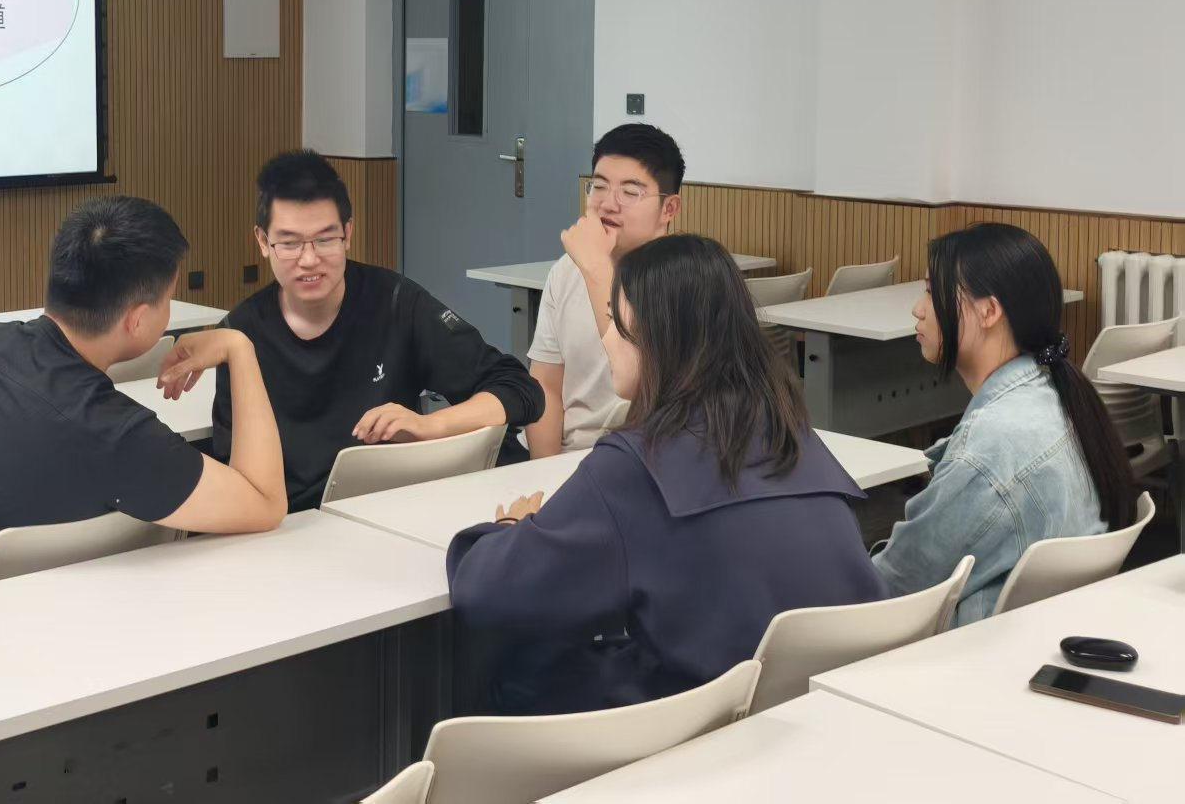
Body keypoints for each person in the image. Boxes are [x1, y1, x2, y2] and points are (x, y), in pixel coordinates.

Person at [446, 234, 884, 715]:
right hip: (819, 710)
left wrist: (510, 528)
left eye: (616, 324)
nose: (606, 339)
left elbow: (489, 594)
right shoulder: (792, 431)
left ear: (658, 337)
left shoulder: (634, 464)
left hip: (700, 725)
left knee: (516, 661)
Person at [0, 196, 286, 594]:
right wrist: (239, 348)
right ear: (136, 320)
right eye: (168, 299)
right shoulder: (111, 432)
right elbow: (265, 504)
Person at [209, 150, 545, 512]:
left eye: (325, 239)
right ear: (262, 241)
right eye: (289, 243)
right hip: (291, 524)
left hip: (390, 509)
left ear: (347, 233)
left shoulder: (394, 302)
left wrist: (428, 426)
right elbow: (235, 475)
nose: (309, 259)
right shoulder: (240, 334)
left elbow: (519, 389)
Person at [873, 223, 1135, 625]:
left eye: (930, 291)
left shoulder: (991, 448)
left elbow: (893, 587)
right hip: (1046, 633)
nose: (918, 309)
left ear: (989, 312)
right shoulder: (1054, 393)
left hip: (975, 649)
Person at [525, 123, 684, 457]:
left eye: (630, 192)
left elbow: (637, 379)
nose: (608, 204)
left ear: (669, 209)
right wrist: (542, 471)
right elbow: (546, 386)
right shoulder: (567, 270)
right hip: (566, 458)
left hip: (644, 458)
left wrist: (596, 267)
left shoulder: (685, 279)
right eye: (598, 186)